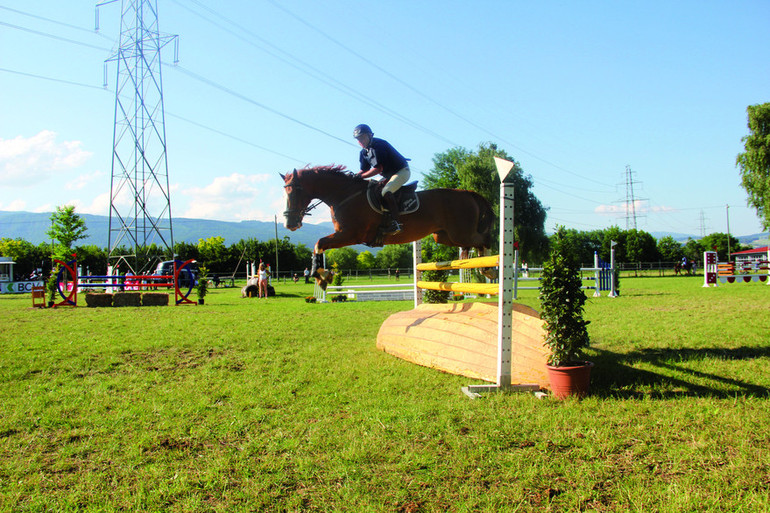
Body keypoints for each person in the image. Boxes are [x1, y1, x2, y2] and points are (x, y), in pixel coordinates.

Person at [354, 123, 410, 235]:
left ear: (370, 135)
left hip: (401, 171)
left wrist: (361, 176)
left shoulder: (378, 145)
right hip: (388, 176)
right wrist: (354, 176)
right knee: (373, 190)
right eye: (358, 139)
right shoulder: (363, 152)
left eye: (362, 137)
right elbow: (364, 170)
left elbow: (378, 169)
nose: (360, 141)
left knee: (386, 192)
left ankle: (397, 224)